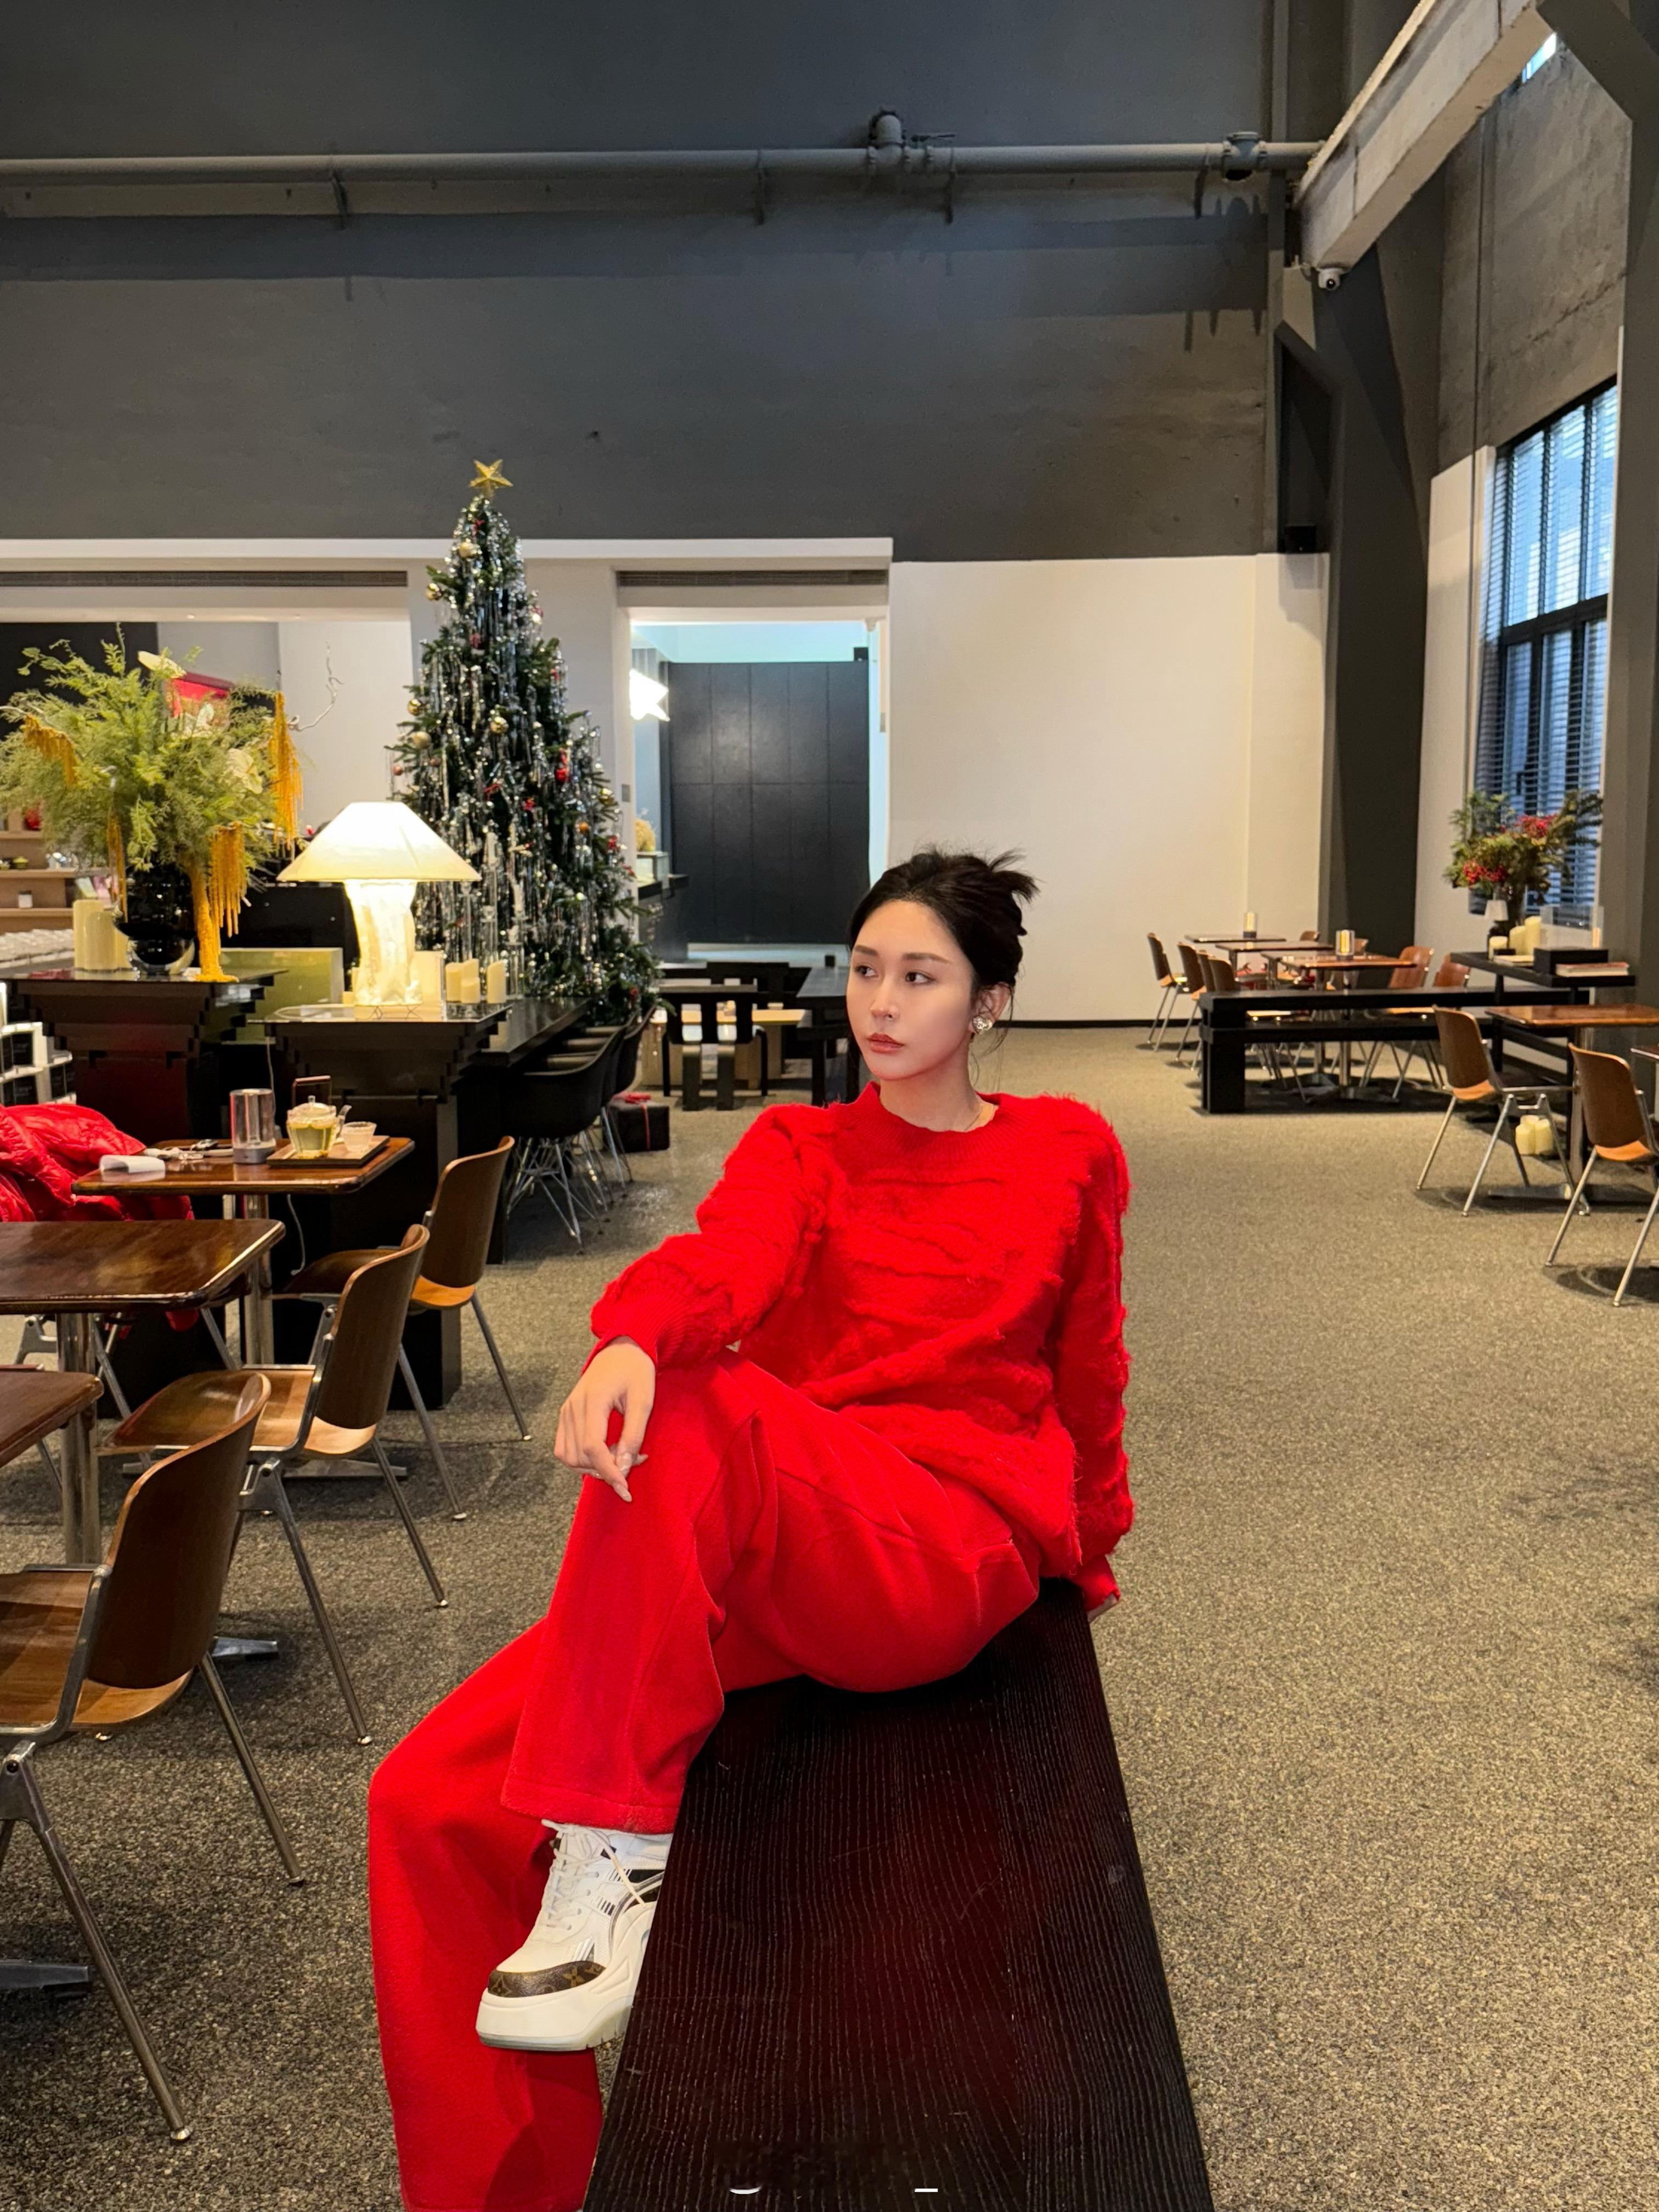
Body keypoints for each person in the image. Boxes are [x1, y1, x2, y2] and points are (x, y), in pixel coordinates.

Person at [366, 844, 1134, 2212]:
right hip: (778, 1542)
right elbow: (727, 1260)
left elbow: (1091, 1370)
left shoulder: (1066, 1151)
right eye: (867, 969)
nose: (881, 1002)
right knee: (423, 1800)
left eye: (921, 976)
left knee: (702, 1406)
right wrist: (632, 1334)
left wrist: (1088, 1551)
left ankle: (618, 1844)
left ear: (991, 1003)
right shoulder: (801, 1148)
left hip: (943, 1542)